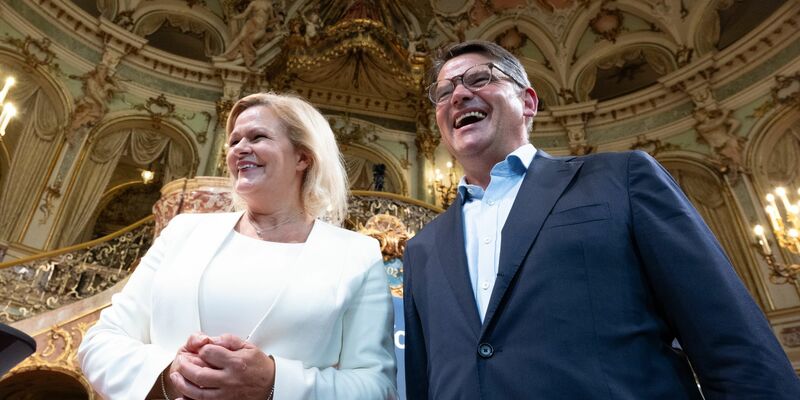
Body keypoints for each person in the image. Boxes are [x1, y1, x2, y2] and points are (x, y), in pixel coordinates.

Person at [402, 40, 800, 399]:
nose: (458, 95)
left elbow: (733, 343)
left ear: (528, 102)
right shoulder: (422, 248)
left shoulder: (620, 179)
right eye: (444, 91)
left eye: (478, 78)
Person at [78, 92, 397, 399]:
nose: (240, 149)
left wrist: (273, 384)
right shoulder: (184, 232)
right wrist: (170, 376)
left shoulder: (356, 254)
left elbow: (376, 386)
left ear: (302, 156)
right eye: (234, 141)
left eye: (257, 137)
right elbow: (100, 342)